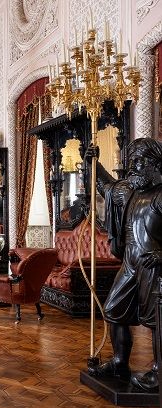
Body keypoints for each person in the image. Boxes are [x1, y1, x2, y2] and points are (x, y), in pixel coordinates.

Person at [86, 138, 162, 391]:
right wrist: (92, 162)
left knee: (156, 321)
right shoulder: (129, 190)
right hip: (130, 263)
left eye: (141, 161)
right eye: (133, 161)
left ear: (156, 164)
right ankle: (119, 362)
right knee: (113, 309)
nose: (135, 167)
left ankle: (158, 372)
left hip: (153, 265)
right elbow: (105, 186)